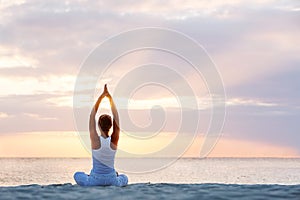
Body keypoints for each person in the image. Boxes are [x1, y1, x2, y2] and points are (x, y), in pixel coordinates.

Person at [74, 84, 128, 187]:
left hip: (95, 180)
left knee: (77, 175)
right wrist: (109, 98)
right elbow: (116, 115)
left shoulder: (95, 140)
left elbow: (92, 115)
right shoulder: (114, 140)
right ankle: (115, 176)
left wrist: (101, 97)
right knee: (125, 178)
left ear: (98, 125)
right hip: (112, 180)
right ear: (111, 126)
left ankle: (89, 176)